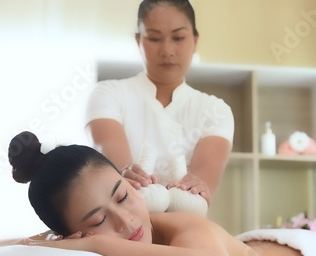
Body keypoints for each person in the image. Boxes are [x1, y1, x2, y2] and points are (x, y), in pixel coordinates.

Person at [4, 131, 306, 256]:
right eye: (98, 222)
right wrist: (54, 242)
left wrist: (96, 244)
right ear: (71, 234)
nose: (125, 220)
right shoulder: (69, 241)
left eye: (123, 196)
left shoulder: (179, 224)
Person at [85, 0, 234, 206]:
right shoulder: (109, 94)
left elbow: (203, 185)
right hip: (123, 223)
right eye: (154, 38)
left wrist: (196, 187)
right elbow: (118, 173)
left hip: (185, 226)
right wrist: (126, 174)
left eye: (178, 37)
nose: (167, 50)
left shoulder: (216, 110)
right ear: (138, 40)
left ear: (195, 39)